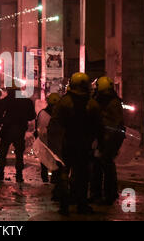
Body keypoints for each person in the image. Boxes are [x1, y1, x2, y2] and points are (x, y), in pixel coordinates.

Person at [52, 73, 102, 215]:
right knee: (82, 176)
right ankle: (81, 204)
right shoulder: (92, 103)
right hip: (84, 145)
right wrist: (100, 144)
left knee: (63, 173)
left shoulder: (64, 102)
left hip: (66, 143)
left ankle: (64, 204)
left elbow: (55, 124)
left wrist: (54, 144)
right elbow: (99, 126)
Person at [90, 77, 125, 205]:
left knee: (106, 165)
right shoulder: (102, 100)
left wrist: (105, 140)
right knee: (97, 166)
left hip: (108, 139)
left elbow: (114, 123)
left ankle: (109, 194)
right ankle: (97, 194)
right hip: (101, 137)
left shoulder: (111, 102)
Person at [0, 84, 36, 183]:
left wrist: (3, 122)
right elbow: (31, 116)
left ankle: (0, 174)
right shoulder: (26, 101)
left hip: (7, 130)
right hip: (20, 130)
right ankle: (19, 176)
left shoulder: (5, 101)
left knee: (3, 152)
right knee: (19, 154)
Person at [35, 93, 61, 183]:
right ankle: (54, 179)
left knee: (44, 159)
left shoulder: (42, 113)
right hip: (54, 140)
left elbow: (37, 125)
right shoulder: (59, 113)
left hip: (44, 139)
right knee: (55, 159)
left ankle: (45, 178)